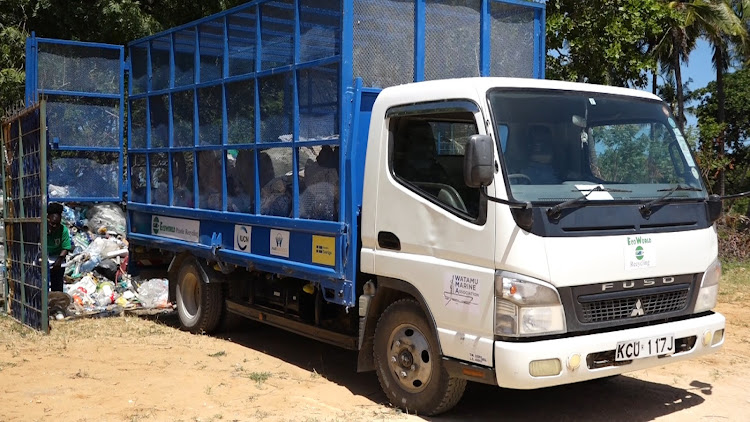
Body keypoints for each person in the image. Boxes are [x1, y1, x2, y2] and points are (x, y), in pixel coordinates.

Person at [47, 202, 72, 292]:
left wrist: (59, 261)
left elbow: (66, 247)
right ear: (47, 219)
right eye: (52, 223)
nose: (55, 226)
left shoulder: (63, 230)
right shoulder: (40, 229)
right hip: (43, 256)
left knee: (57, 281)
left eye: (57, 224)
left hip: (56, 258)